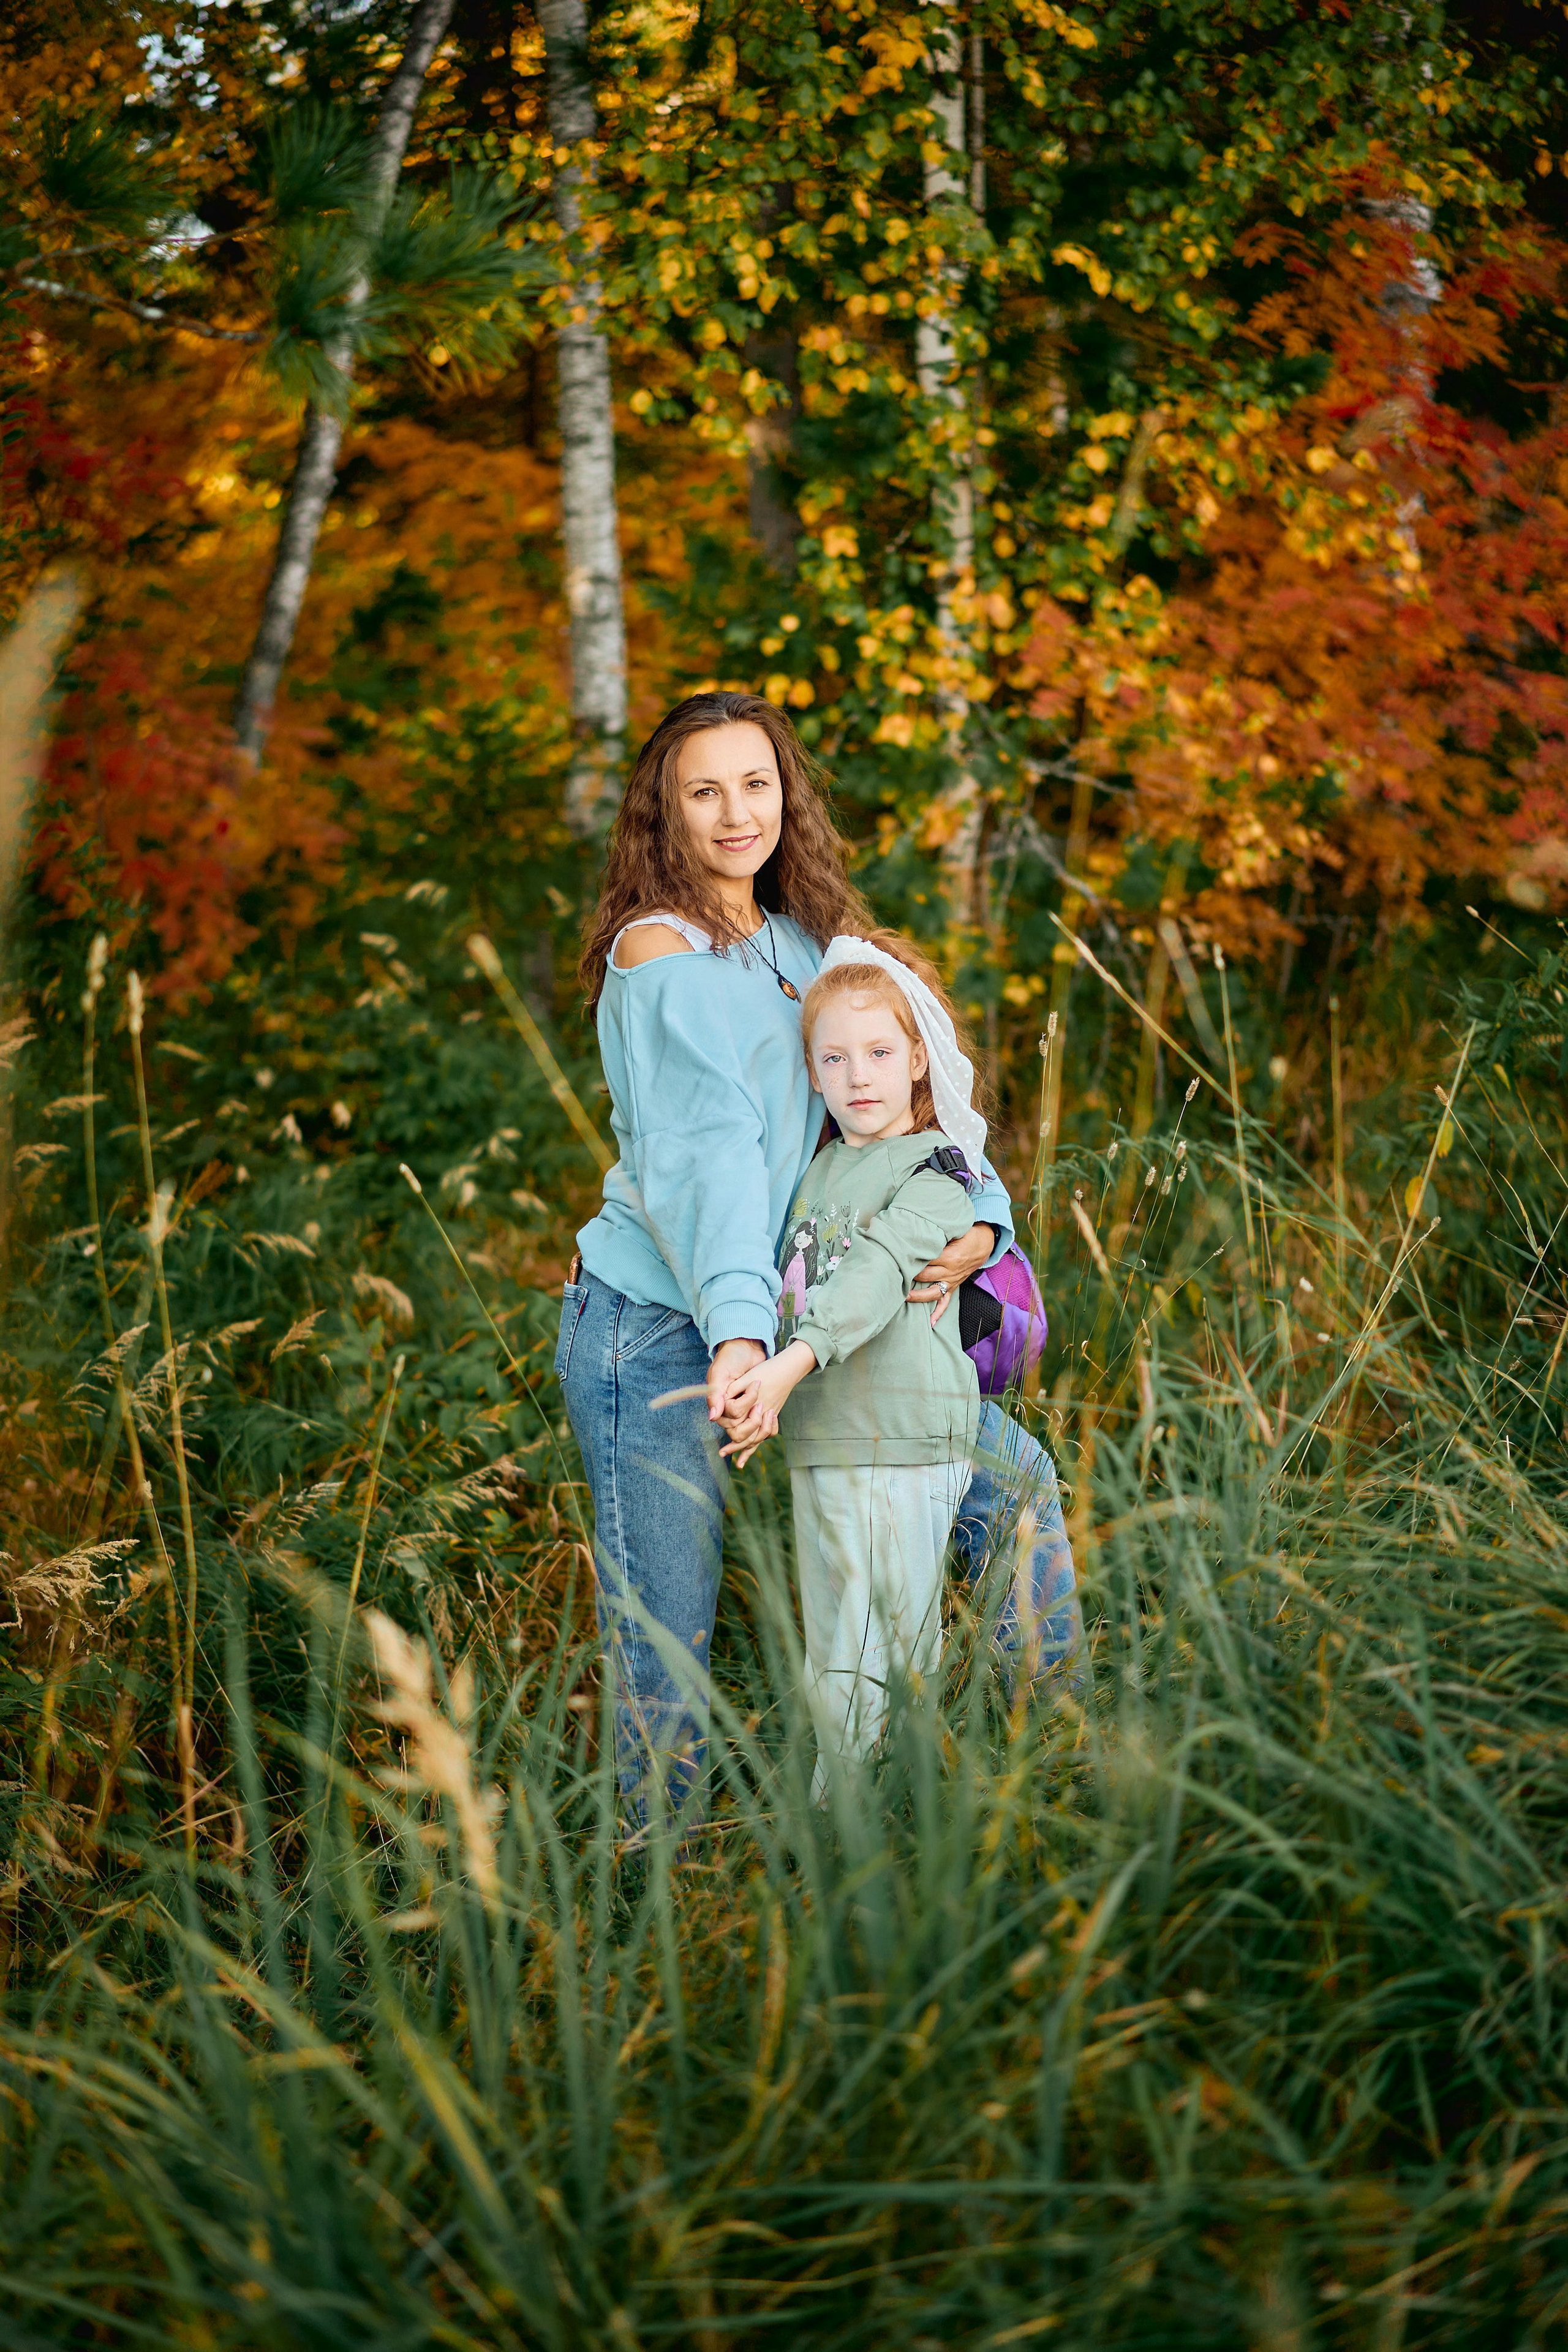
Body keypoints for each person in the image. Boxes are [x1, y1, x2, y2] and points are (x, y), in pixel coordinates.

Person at [556, 690, 1079, 1817]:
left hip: (806, 1319)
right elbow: (706, 1162)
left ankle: (1060, 1775)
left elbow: (917, 1092)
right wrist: (744, 1337)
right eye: (704, 791)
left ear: (786, 793)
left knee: (1016, 1489)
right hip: (664, 1327)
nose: (736, 813)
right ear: (665, 811)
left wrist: (982, 1221)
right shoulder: (659, 951)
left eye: (756, 783)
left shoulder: (802, 944)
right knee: (668, 1638)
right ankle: (649, 1877)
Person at [718, 936, 986, 1789]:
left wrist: (788, 1366)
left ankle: (863, 1822)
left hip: (902, 1436)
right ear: (812, 1071)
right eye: (834, 1058)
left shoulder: (937, 1170)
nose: (858, 1076)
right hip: (826, 1434)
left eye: (879, 1053)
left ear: (918, 1060)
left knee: (886, 1650)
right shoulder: (820, 1168)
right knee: (835, 1647)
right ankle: (848, 1813)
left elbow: (874, 1278)